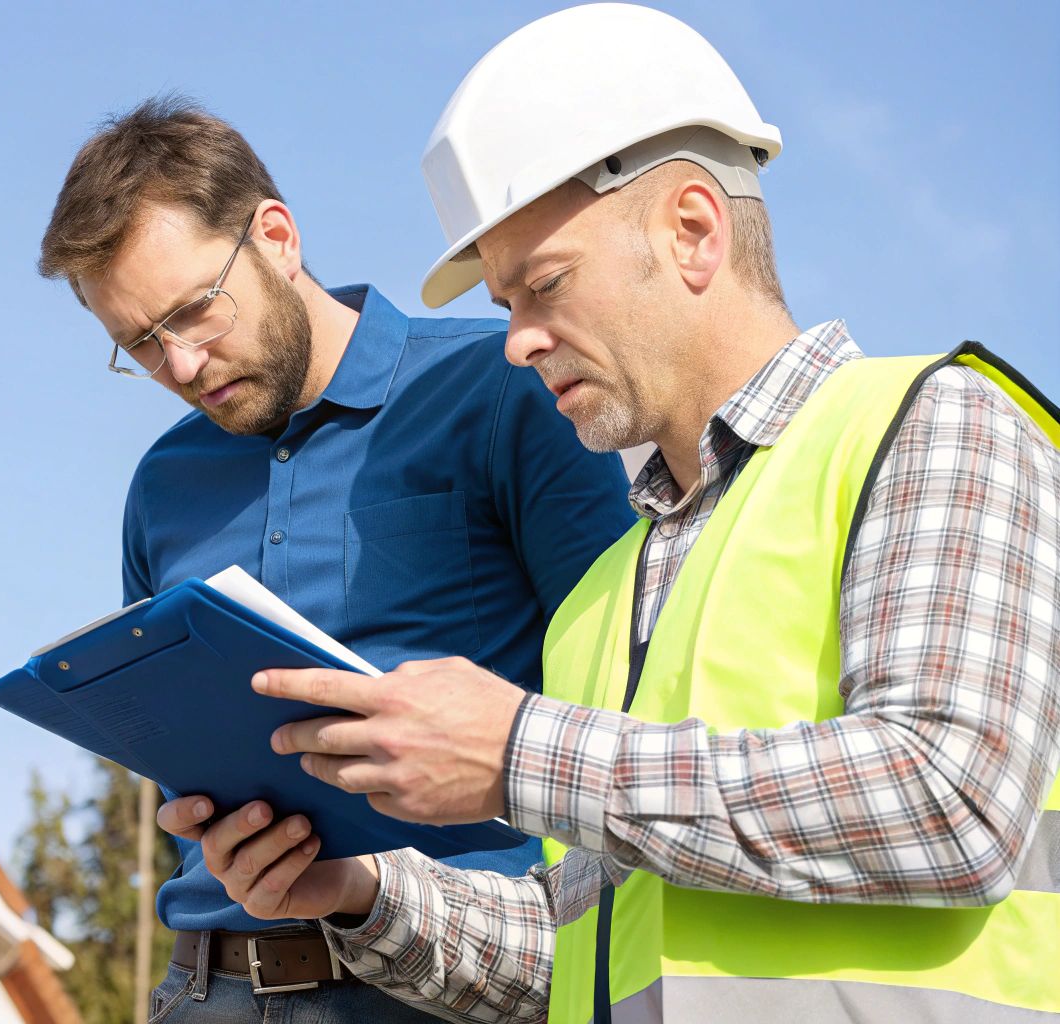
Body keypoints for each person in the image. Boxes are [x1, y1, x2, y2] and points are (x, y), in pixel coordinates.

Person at [166, 5, 1060, 1022]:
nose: (516, 342)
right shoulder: (601, 596)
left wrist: (517, 754)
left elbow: (949, 798)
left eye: (544, 285)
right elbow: (583, 948)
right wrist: (357, 893)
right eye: (504, 306)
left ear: (691, 231)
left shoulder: (932, 425)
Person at [36, 96, 633, 1021]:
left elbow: (623, 698)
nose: (181, 367)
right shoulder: (161, 485)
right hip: (206, 988)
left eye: (194, 313)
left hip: (450, 985)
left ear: (275, 238)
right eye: (140, 345)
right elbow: (171, 755)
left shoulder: (503, 389)